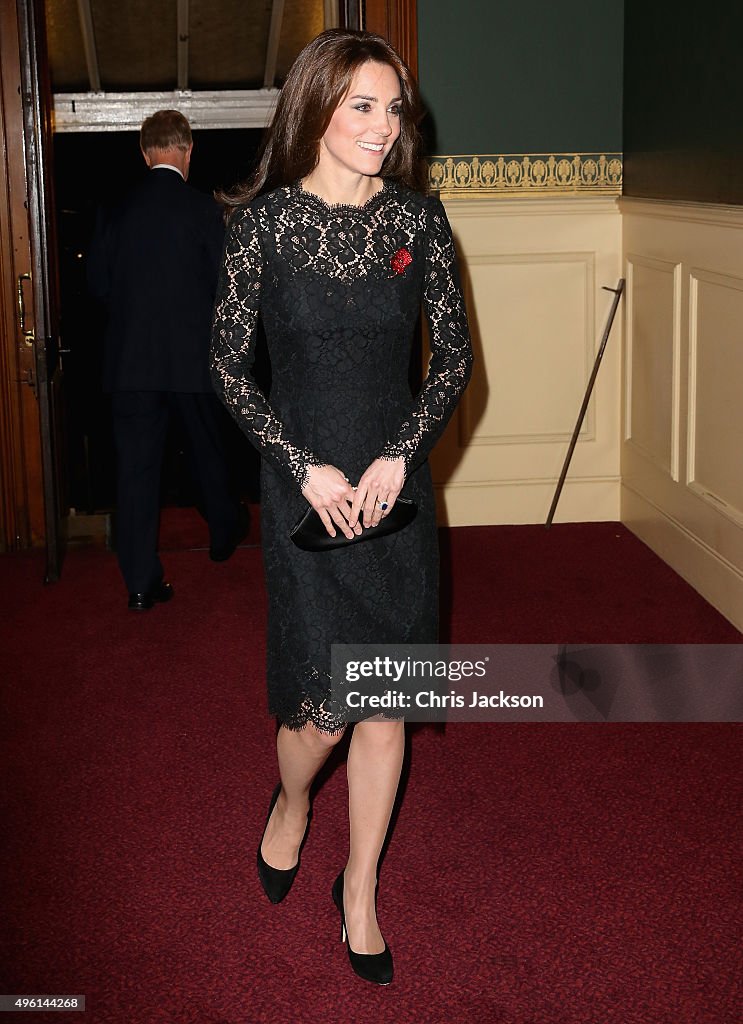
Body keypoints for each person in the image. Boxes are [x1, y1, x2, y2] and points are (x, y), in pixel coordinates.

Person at [211, 30, 472, 984]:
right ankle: (290, 807)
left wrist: (401, 454)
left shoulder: (419, 223)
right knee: (321, 713)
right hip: (307, 490)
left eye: (392, 106)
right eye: (361, 103)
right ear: (316, 106)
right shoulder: (265, 226)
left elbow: (453, 361)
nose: (381, 124)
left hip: (394, 493)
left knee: (383, 701)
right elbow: (229, 371)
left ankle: (359, 887)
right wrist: (302, 462)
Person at [88, 110, 246, 611]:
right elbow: (228, 290)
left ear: (144, 151)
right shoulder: (205, 210)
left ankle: (139, 582)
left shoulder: (115, 210)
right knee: (207, 452)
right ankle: (223, 533)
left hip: (131, 365)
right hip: (191, 361)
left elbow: (98, 285)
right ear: (188, 150)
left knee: (135, 473)